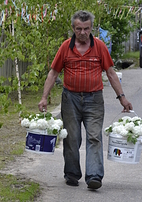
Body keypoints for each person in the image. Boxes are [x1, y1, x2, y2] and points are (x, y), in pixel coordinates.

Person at [38, 10, 133, 190]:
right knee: (72, 138)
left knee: (94, 137)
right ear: (73, 28)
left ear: (92, 28)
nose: (82, 33)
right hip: (70, 99)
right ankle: (72, 174)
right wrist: (44, 97)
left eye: (86, 28)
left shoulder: (100, 47)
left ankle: (94, 176)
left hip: (94, 99)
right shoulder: (65, 47)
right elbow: (53, 73)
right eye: (79, 29)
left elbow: (111, 73)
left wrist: (122, 97)